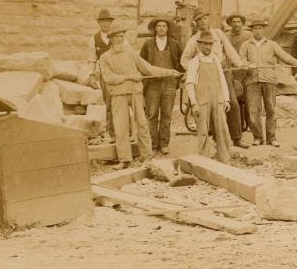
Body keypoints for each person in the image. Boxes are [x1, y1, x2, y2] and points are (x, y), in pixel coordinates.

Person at [98, 21, 180, 166]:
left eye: (122, 36)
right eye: (117, 36)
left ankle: (147, 156)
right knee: (120, 127)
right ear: (111, 38)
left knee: (142, 125)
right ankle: (125, 159)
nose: (120, 39)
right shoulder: (105, 58)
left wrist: (169, 72)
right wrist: (129, 77)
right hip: (118, 95)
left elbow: (149, 69)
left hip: (136, 93)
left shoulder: (131, 54)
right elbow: (108, 78)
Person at [181, 10, 250, 149]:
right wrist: (197, 67)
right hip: (205, 75)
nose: (202, 22)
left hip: (223, 71)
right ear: (196, 23)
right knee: (210, 106)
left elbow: (230, 52)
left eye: (205, 18)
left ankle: (237, 138)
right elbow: (184, 60)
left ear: (208, 19)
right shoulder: (193, 40)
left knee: (232, 103)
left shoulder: (218, 34)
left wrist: (240, 64)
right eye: (199, 20)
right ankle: (214, 138)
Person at [238, 18, 297, 146]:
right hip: (252, 81)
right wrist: (247, 65)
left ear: (264, 29)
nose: (258, 31)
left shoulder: (272, 44)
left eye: (260, 28)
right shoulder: (246, 45)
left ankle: (272, 138)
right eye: (255, 28)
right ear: (252, 30)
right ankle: (257, 137)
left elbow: (286, 57)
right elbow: (241, 60)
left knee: (271, 110)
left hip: (269, 80)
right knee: (253, 111)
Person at [183, 31, 233, 163]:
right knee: (203, 131)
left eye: (210, 44)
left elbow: (222, 80)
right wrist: (194, 103)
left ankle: (224, 158)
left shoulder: (216, 60)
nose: (208, 47)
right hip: (202, 100)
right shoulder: (195, 62)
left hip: (218, 99)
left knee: (222, 128)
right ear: (199, 45)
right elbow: (189, 84)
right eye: (205, 44)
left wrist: (226, 99)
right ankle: (204, 160)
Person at [139, 17, 184, 155]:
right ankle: (152, 144)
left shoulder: (175, 44)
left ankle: (164, 144)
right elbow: (141, 65)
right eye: (159, 26)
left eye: (164, 26)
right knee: (152, 115)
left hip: (169, 85)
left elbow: (181, 63)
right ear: (155, 28)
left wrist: (179, 77)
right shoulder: (148, 44)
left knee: (166, 115)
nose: (162, 28)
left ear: (168, 28)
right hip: (152, 84)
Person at [88, 8, 116, 141]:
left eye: (107, 21)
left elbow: (128, 54)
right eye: (102, 21)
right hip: (105, 77)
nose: (105, 24)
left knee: (122, 103)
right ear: (99, 23)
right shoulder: (94, 39)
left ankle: (125, 132)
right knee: (109, 104)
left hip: (119, 75)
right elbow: (91, 59)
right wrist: (92, 75)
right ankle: (111, 133)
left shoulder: (117, 36)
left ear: (111, 23)